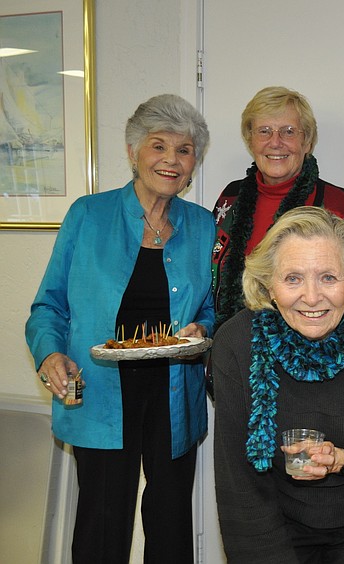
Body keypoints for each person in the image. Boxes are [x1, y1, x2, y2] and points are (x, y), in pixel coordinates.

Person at [25, 94, 215, 562]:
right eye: (158, 146)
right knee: (102, 524)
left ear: (194, 164)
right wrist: (49, 354)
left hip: (174, 396)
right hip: (102, 392)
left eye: (185, 150)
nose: (171, 160)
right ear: (133, 152)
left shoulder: (204, 225)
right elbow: (47, 305)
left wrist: (200, 329)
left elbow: (212, 308)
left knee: (171, 525)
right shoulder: (88, 215)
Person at [212, 206, 344, 563]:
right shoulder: (237, 344)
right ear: (268, 286)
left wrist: (343, 460)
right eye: (292, 278)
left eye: (328, 278)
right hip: (272, 528)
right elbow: (239, 484)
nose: (311, 297)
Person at [212, 86, 344, 330]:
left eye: (288, 131)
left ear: (307, 142)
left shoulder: (337, 204)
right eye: (264, 131)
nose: (275, 142)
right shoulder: (229, 199)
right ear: (250, 140)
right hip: (233, 347)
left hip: (311, 352)